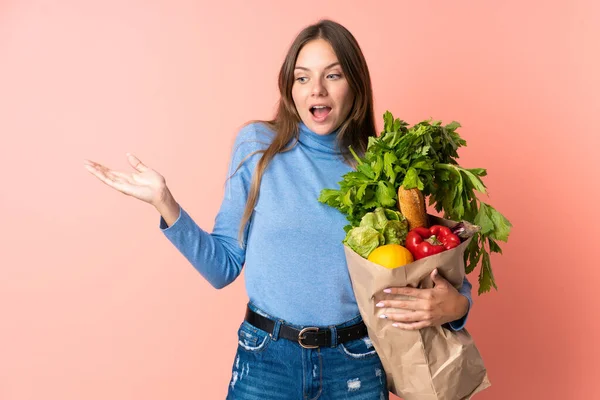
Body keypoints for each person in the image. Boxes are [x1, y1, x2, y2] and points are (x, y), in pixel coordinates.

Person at [84, 19, 472, 400]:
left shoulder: (381, 167)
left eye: (332, 76)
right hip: (266, 361)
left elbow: (432, 270)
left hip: (355, 362)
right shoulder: (258, 147)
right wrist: (165, 204)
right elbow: (222, 267)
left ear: (355, 84)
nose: (315, 89)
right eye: (302, 78)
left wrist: (456, 307)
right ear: (290, 88)